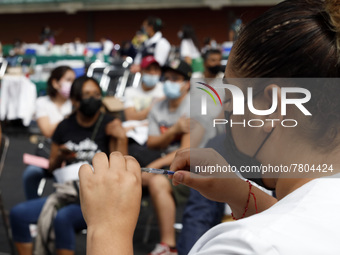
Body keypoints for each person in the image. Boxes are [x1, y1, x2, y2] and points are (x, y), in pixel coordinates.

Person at [78, 0, 340, 254]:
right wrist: (239, 193)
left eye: (229, 95)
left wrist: (107, 228)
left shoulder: (245, 245)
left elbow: (278, 234)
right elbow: (299, 223)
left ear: (270, 106)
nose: (224, 109)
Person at [10, 76, 127, 255]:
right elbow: (51, 167)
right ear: (75, 100)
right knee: (18, 214)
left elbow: (120, 170)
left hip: (98, 198)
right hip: (67, 194)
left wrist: (121, 138)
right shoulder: (64, 126)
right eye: (87, 94)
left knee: (63, 218)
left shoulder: (109, 125)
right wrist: (59, 156)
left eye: (96, 94)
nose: (92, 99)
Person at [140, 59, 192, 255]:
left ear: (187, 83)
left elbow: (185, 151)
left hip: (189, 167)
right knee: (131, 177)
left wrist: (152, 167)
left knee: (156, 183)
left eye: (175, 78)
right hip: (160, 161)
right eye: (167, 77)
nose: (169, 81)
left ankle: (168, 247)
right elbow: (152, 142)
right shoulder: (158, 107)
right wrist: (175, 130)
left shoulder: (194, 107)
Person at [23, 66, 76, 200]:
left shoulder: (75, 104)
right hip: (47, 154)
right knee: (30, 174)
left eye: (74, 81)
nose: (72, 84)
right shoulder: (42, 102)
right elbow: (47, 132)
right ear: (55, 83)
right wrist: (67, 119)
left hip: (71, 155)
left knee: (64, 180)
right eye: (68, 80)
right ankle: (33, 207)